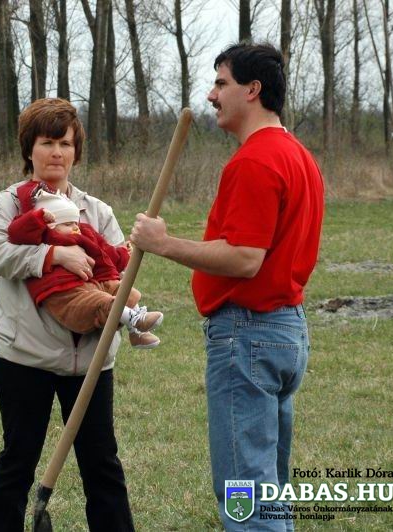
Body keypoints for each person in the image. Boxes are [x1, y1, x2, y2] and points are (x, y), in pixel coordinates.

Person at [130, 43, 324, 531]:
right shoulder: (299, 157)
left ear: (252, 90)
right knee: (267, 490)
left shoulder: (255, 161)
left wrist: (163, 243)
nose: (211, 95)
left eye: (221, 83)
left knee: (246, 495)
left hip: (249, 336)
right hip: (285, 332)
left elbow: (244, 258)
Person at [0, 98, 135, 531]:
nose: (57, 153)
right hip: (25, 358)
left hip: (91, 362)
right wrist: (52, 255)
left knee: (102, 465)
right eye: (47, 143)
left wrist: (123, 263)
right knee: (17, 462)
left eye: (65, 144)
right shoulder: (7, 205)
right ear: (29, 148)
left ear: (76, 152)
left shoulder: (96, 211)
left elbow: (118, 268)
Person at [7, 185, 164, 348]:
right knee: (102, 301)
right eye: (68, 224)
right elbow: (16, 232)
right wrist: (38, 218)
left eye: (75, 222)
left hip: (92, 284)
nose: (75, 227)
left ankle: (136, 333)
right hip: (64, 294)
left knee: (121, 289)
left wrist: (122, 253)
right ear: (49, 225)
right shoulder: (42, 237)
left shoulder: (84, 233)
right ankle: (136, 319)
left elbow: (104, 253)